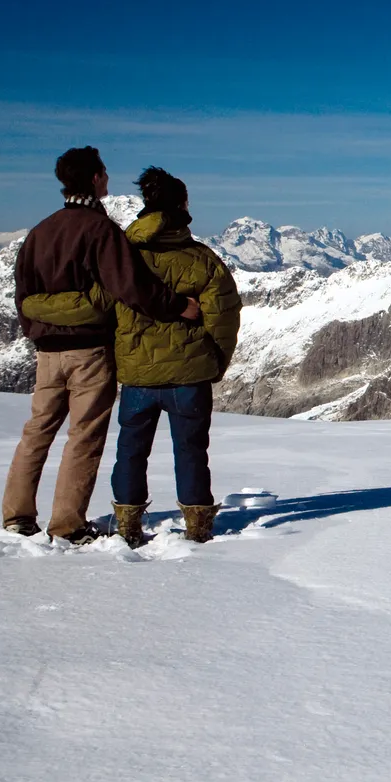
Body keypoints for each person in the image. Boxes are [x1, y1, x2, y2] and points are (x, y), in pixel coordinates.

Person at [7, 147, 201, 543]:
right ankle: (68, 525)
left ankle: (17, 516)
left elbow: (23, 293)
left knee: (37, 431)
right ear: (96, 179)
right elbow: (130, 285)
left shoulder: (39, 231)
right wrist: (179, 306)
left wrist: (37, 329)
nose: (108, 178)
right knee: (84, 435)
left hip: (46, 353)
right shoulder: (100, 230)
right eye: (105, 172)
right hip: (90, 351)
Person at [104, 166, 239, 547]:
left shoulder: (122, 256)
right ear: (183, 206)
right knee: (192, 451)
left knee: (130, 451)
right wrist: (214, 362)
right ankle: (198, 525)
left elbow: (104, 307)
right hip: (190, 376)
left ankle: (128, 524)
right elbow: (224, 317)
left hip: (136, 376)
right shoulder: (202, 259)